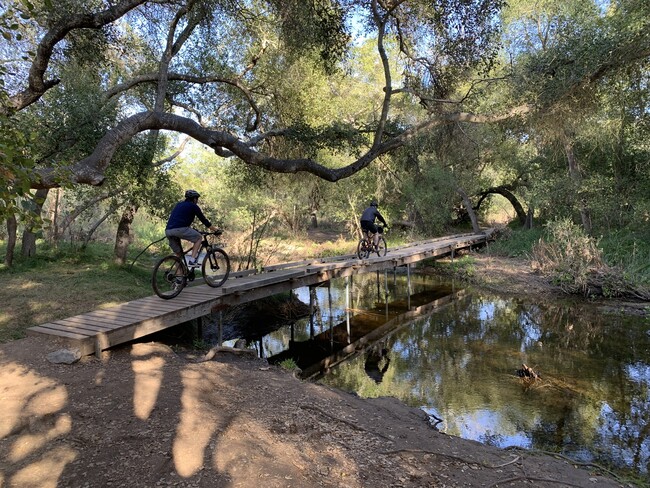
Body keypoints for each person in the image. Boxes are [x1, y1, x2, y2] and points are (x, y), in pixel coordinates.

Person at [165, 190, 218, 268]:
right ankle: (192, 261)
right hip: (180, 229)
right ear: (194, 199)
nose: (197, 201)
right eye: (197, 199)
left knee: (178, 256)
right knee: (199, 238)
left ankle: (179, 278)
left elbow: (178, 219)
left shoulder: (179, 204)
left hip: (168, 231)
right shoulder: (193, 206)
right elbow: (204, 220)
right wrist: (215, 230)